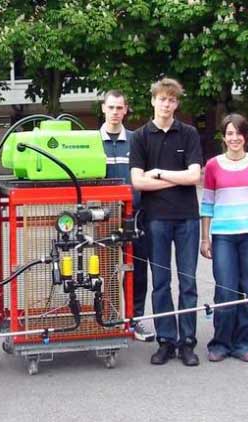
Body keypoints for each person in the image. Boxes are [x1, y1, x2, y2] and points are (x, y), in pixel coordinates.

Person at [129, 78, 203, 366]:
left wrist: (158, 173)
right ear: (153, 101)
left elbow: (194, 176)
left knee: (188, 283)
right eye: (162, 99)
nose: (167, 104)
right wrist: (175, 178)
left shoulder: (189, 134)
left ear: (177, 104)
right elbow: (137, 182)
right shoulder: (140, 137)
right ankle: (165, 341)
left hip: (187, 219)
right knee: (160, 283)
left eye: (172, 100)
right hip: (155, 220)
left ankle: (187, 342)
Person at [200, 113, 248, 363]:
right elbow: (207, 204)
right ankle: (221, 342)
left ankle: (243, 342)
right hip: (223, 236)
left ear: (247, 137)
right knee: (225, 290)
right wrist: (205, 238)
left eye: (239, 133)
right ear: (224, 137)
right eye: (229, 133)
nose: (234, 138)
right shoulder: (212, 165)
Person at [100, 90, 154, 342]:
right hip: (103, 217)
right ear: (103, 108)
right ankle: (109, 318)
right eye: (111, 107)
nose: (115, 112)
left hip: (136, 216)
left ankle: (135, 319)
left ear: (125, 110)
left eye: (119, 108)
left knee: (137, 270)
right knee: (104, 270)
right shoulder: (92, 142)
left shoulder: (137, 140)